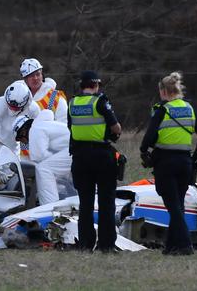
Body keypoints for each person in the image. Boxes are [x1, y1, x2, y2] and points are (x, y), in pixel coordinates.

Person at [140, 72, 197, 256]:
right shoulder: (189, 108)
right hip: (185, 162)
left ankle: (186, 245)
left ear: (163, 91)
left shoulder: (162, 110)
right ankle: (171, 247)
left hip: (165, 163)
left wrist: (145, 150)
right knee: (178, 205)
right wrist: (193, 158)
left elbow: (147, 140)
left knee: (173, 206)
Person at [68, 70, 122, 252]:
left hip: (80, 157)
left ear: (82, 85)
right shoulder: (100, 102)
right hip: (101, 156)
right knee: (107, 201)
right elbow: (116, 127)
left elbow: (71, 127)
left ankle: (85, 243)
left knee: (85, 203)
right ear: (96, 85)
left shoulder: (72, 103)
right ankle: (106, 245)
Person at [13, 109, 74, 205]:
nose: (23, 142)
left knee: (43, 169)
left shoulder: (35, 129)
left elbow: (38, 157)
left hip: (74, 150)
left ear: (25, 130)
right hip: (82, 149)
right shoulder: (46, 125)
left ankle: (49, 208)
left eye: (20, 137)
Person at [0, 80, 40, 154]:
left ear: (26, 104)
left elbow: (37, 133)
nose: (13, 110)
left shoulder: (33, 109)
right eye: (11, 106)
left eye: (16, 108)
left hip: (13, 148)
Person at [20, 58, 68, 123]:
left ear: (42, 75)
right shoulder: (20, 99)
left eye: (38, 74)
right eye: (31, 76)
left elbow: (64, 123)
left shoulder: (55, 97)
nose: (35, 78)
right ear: (25, 79)